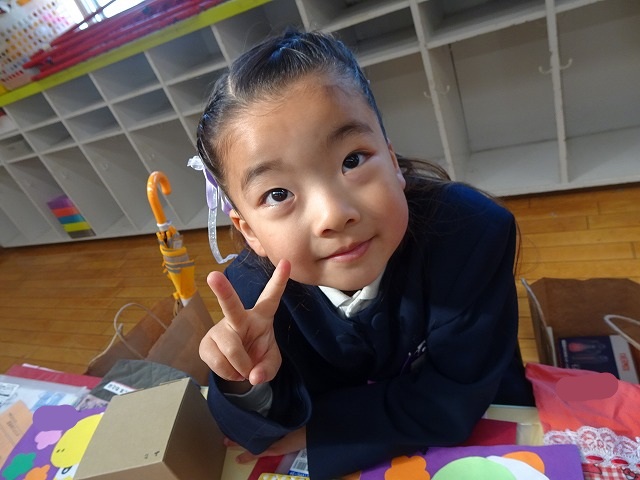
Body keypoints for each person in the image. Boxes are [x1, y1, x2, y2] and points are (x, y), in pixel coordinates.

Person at [194, 28, 534, 480]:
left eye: (352, 160)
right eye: (278, 193)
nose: (333, 215)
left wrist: (328, 427)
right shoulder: (252, 294)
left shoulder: (471, 233)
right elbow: (257, 427)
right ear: (249, 230)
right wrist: (243, 378)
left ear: (392, 161)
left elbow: (459, 393)